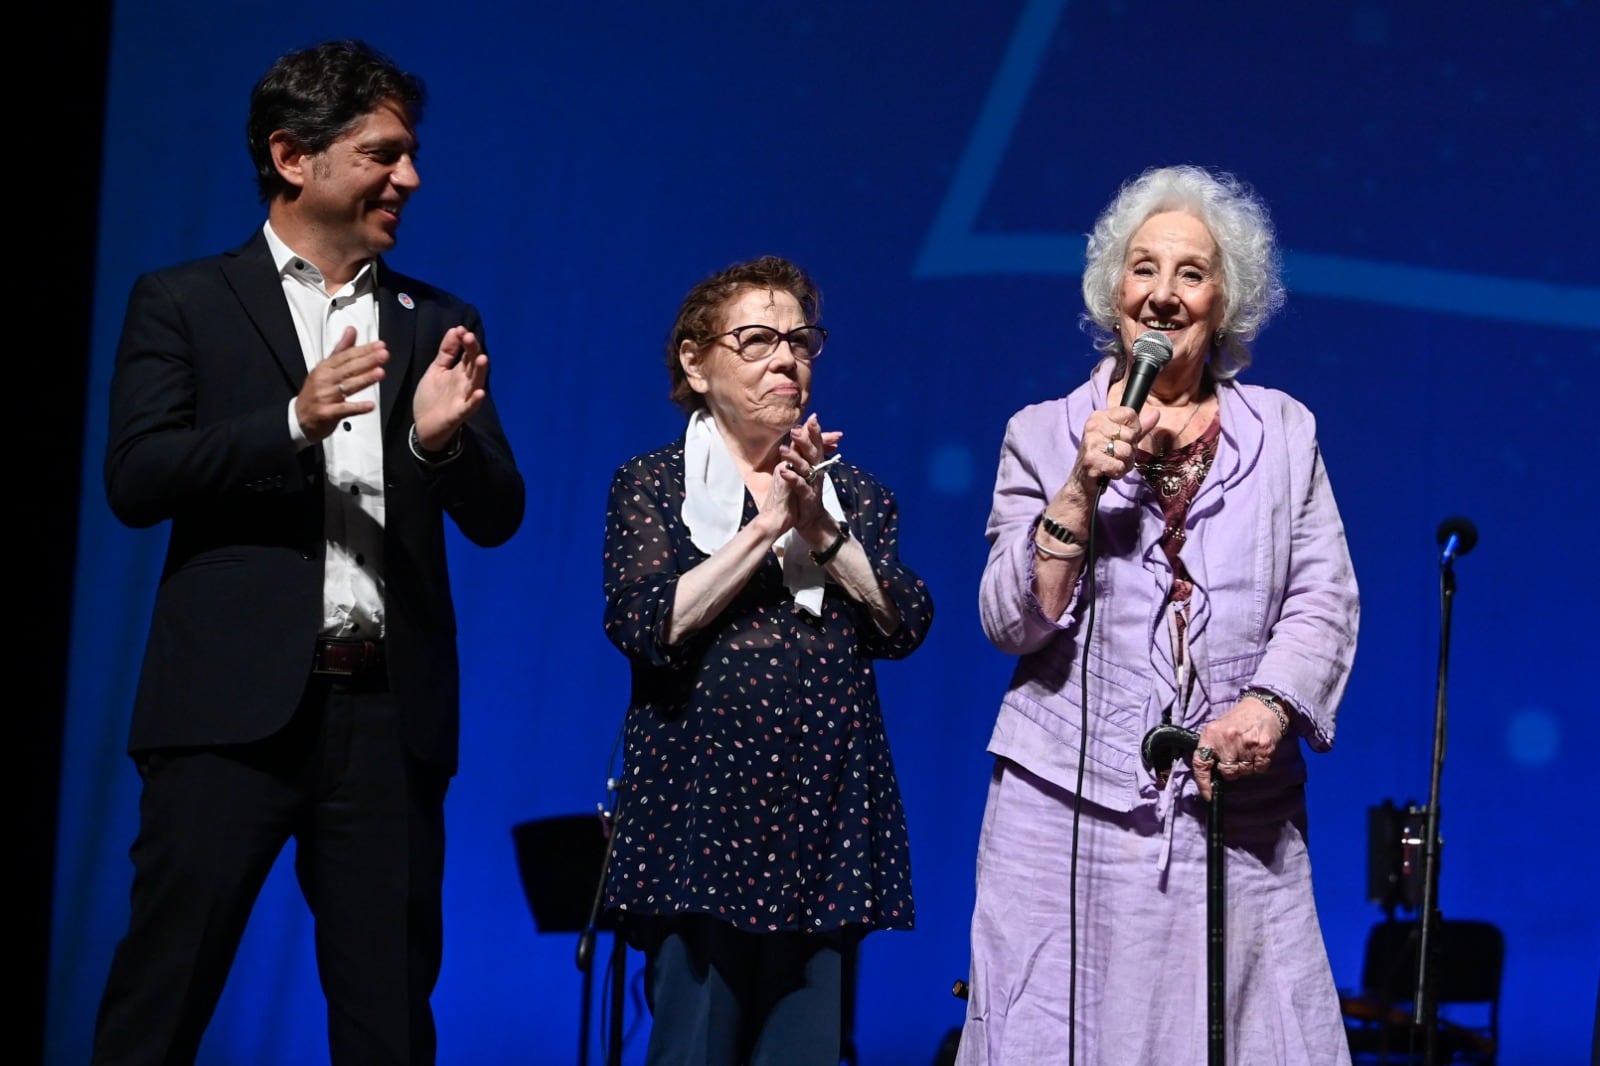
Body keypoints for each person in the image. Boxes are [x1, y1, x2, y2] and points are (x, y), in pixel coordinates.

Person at [93, 39, 525, 1066]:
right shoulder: (184, 300)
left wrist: (435, 442)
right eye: (383, 154)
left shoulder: (438, 321)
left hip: (385, 723)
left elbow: (499, 513)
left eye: (409, 154)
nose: (409, 178)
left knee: (387, 1025)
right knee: (160, 1003)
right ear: (294, 158)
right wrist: (291, 418)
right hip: (226, 722)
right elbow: (136, 477)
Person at [956, 165, 1360, 1065]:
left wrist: (1269, 706)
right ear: (1114, 293)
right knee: (1054, 1032)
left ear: (1226, 305)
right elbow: (1007, 621)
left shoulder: (1285, 433)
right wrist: (1077, 485)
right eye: (1144, 269)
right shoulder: (1044, 432)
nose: (1163, 295)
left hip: (1236, 804)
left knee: (1251, 1030)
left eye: (1191, 273)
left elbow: (1322, 595)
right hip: (1062, 808)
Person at [599, 255, 934, 1065]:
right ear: (694, 360)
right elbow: (649, 622)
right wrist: (763, 527)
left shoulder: (853, 492)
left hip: (824, 821)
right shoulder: (653, 485)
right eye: (757, 341)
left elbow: (904, 622)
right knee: (692, 1045)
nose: (787, 360)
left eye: (801, 342)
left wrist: (820, 527)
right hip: (696, 819)